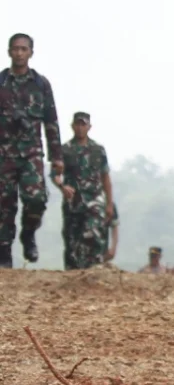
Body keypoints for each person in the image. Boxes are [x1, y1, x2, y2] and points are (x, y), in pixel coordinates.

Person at [0, 33, 63, 267]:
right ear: (9, 52)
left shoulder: (40, 84)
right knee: (3, 206)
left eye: (23, 49)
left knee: (36, 199)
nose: (19, 53)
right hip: (3, 154)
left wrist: (57, 158)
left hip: (31, 154)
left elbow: (51, 122)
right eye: (15, 49)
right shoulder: (1, 83)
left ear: (30, 53)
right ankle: (4, 252)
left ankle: (28, 233)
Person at [56, 112, 115, 270]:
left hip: (94, 199)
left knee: (93, 233)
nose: (80, 128)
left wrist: (109, 204)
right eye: (78, 124)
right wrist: (62, 187)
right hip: (73, 201)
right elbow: (55, 175)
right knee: (72, 240)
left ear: (89, 127)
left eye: (84, 124)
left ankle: (94, 268)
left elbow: (105, 177)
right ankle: (73, 273)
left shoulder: (98, 150)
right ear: (72, 126)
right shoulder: (65, 150)